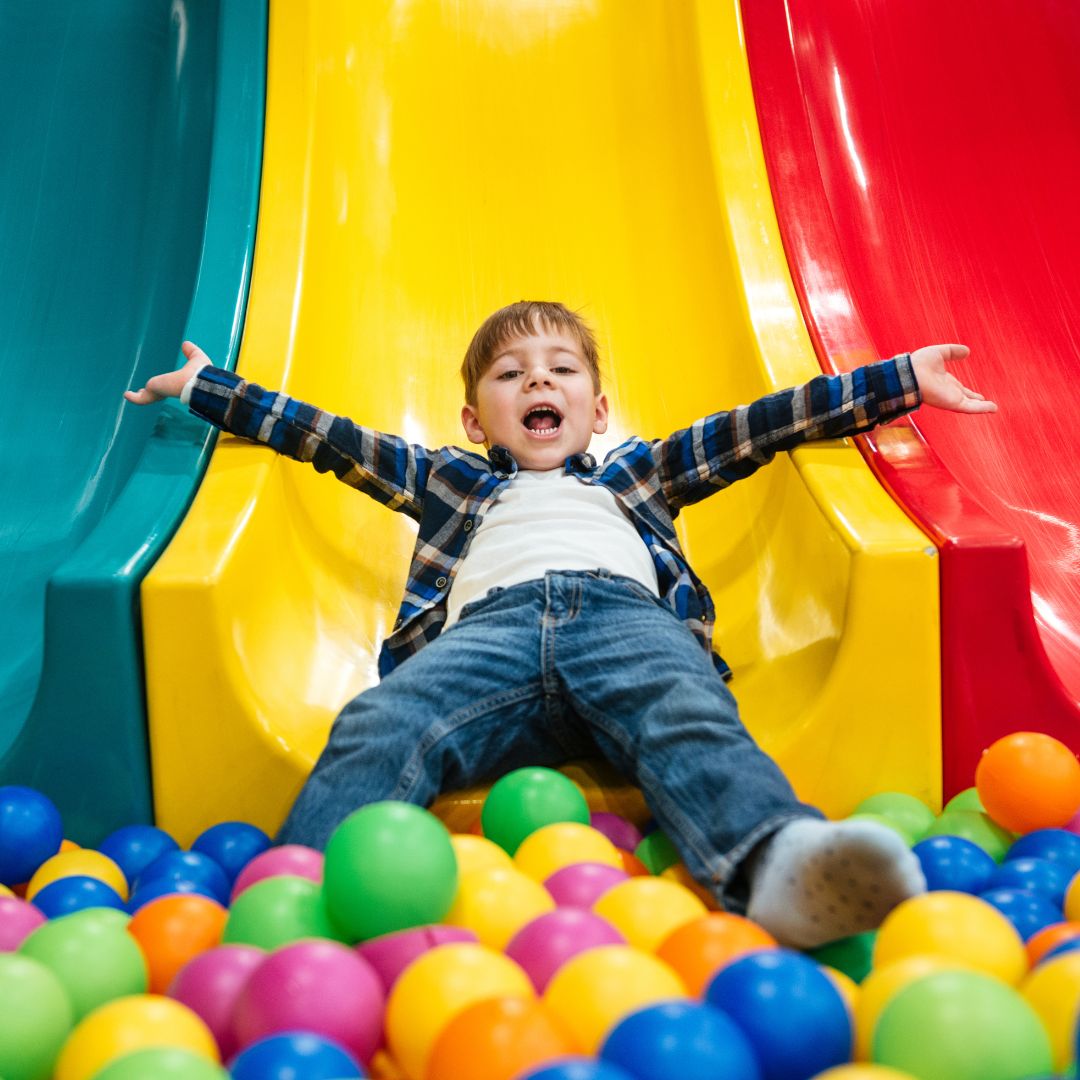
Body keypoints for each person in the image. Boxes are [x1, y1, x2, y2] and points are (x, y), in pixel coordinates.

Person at [125, 300, 996, 946]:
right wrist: (211, 389)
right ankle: (301, 909)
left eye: (561, 369)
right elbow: (332, 439)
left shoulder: (636, 474)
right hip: (486, 638)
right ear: (476, 421)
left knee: (686, 709)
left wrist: (902, 380)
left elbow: (761, 425)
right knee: (382, 720)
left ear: (598, 410)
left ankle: (774, 862)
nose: (538, 380)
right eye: (510, 375)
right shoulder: (452, 483)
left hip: (625, 621)